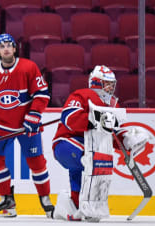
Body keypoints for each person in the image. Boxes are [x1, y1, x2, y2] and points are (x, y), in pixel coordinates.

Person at [52, 65, 149, 221]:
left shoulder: (112, 104)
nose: (111, 87)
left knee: (94, 166)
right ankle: (78, 206)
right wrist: (95, 120)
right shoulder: (81, 94)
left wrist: (128, 140)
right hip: (67, 142)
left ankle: (76, 205)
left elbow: (115, 132)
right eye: (107, 83)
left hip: (91, 144)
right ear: (96, 83)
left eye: (113, 84)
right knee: (90, 159)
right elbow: (69, 118)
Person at [0, 33, 55, 218]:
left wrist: (34, 114)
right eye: (2, 46)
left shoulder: (28, 67)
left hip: (26, 125)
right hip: (1, 124)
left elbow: (42, 95)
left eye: (9, 45)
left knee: (36, 163)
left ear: (14, 48)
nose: (6, 48)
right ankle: (7, 202)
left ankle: (45, 200)